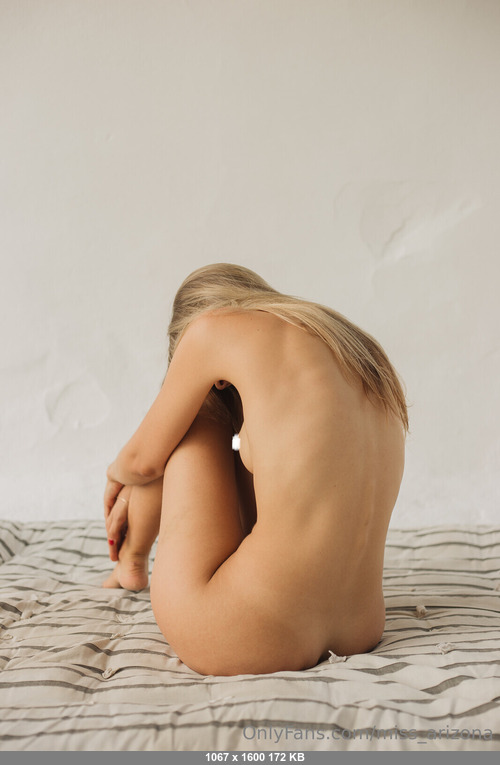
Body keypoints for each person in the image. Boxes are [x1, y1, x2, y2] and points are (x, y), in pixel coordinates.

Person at [102, 263, 408, 676]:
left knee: (196, 415)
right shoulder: (350, 345)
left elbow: (144, 461)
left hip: (242, 634)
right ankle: (131, 562)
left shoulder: (210, 329)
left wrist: (116, 476)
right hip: (362, 627)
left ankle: (130, 560)